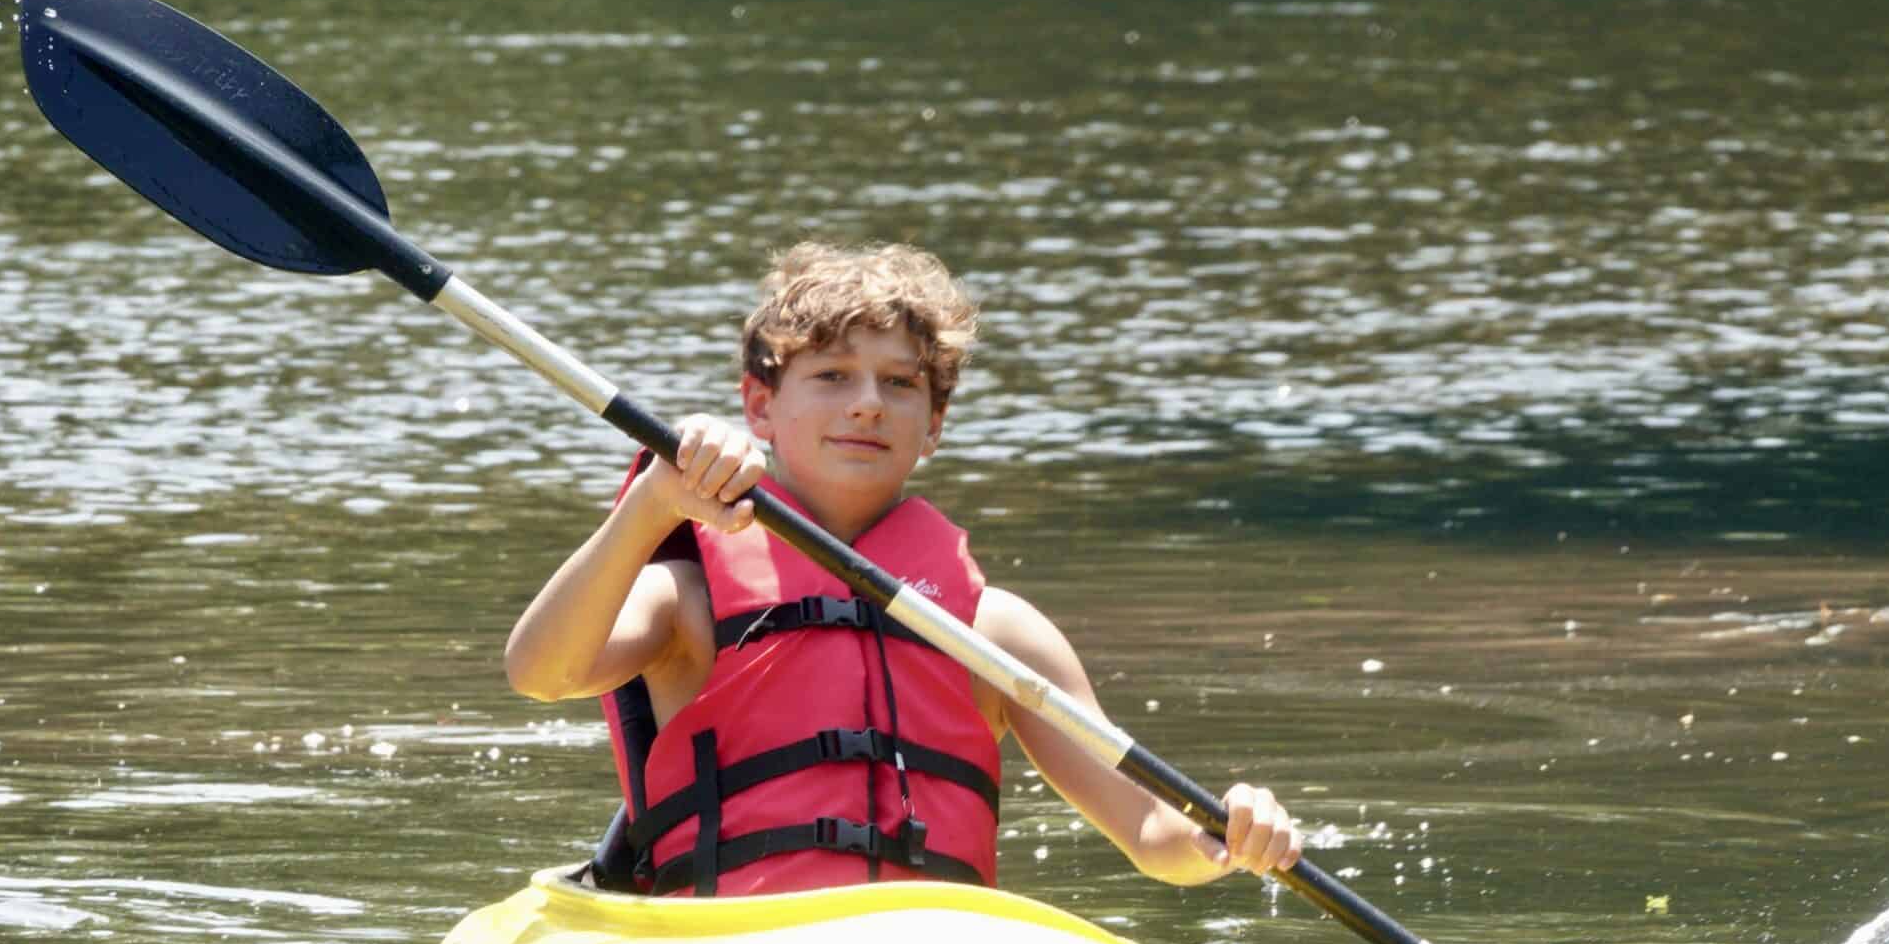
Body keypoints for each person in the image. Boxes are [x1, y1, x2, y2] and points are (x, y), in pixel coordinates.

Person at [504, 240, 1301, 898]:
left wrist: (1225, 828)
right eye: (831, 376)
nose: (868, 404)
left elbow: (1151, 832)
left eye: (900, 383)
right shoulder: (690, 598)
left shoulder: (994, 630)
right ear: (759, 406)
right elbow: (541, 670)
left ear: (935, 424)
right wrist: (652, 508)